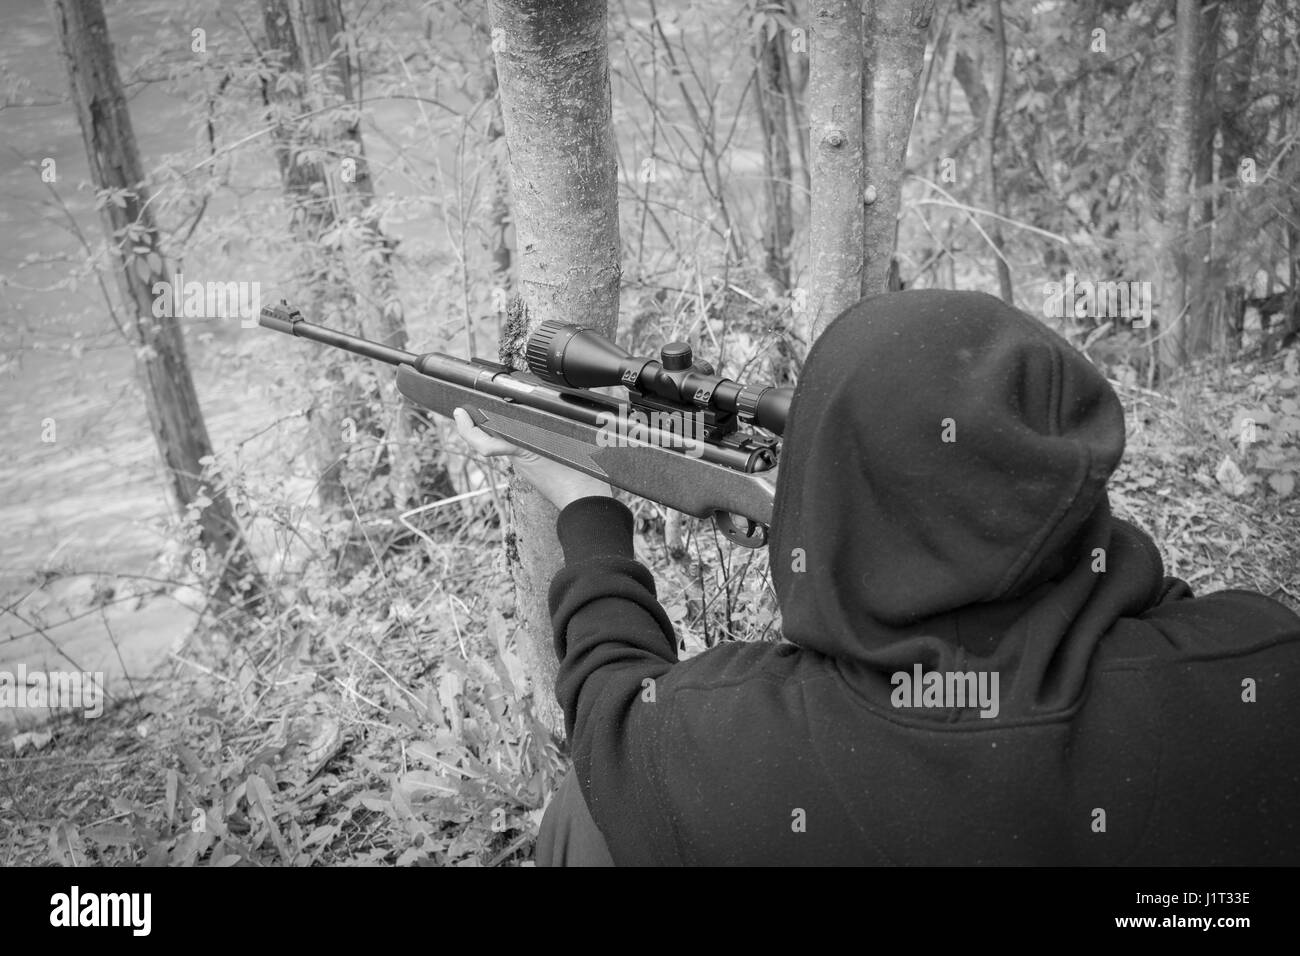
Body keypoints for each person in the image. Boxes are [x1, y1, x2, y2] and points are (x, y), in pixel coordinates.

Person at [454, 289, 1300, 866]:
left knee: (585, 820)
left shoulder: (718, 749)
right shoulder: (1263, 666)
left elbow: (610, 709)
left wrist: (587, 509)